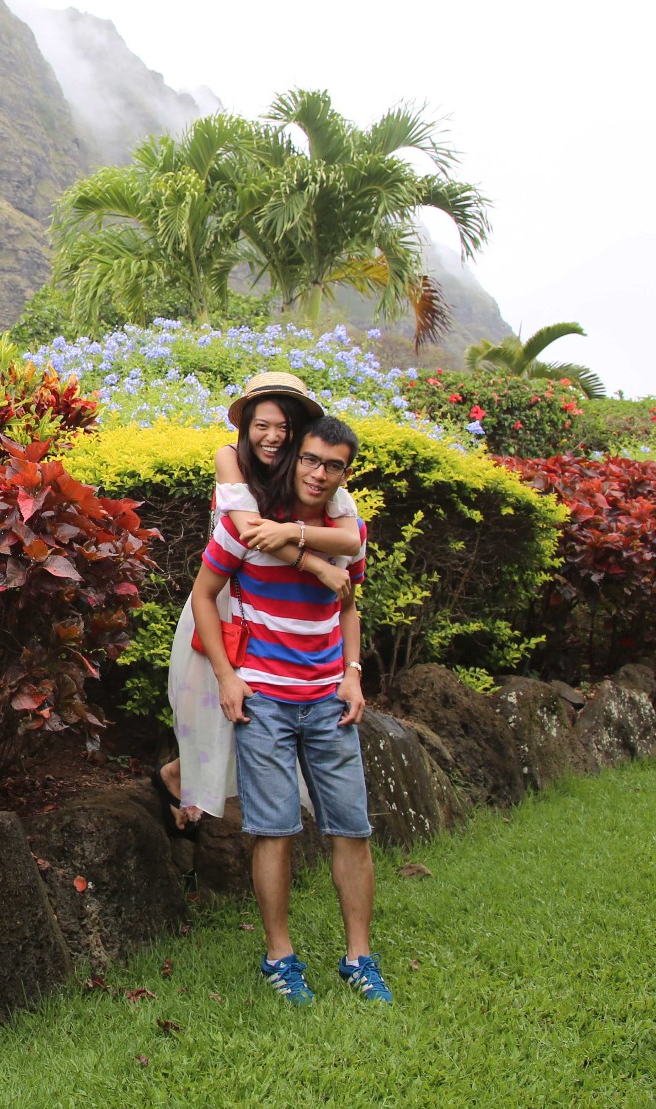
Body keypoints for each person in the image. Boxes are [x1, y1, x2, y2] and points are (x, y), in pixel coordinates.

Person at [189, 415, 391, 1005]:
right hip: (264, 700)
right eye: (310, 459)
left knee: (351, 829)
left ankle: (359, 958)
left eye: (334, 465)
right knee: (273, 831)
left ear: (345, 473)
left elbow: (348, 600)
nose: (319, 473)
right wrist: (227, 677)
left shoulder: (346, 527)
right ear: (292, 458)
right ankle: (280, 957)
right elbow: (203, 594)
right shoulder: (244, 525)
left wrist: (354, 674)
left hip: (329, 698)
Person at [154, 373, 363, 833]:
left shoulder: (309, 468)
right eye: (262, 425)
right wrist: (318, 565)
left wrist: (304, 541)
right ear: (246, 424)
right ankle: (180, 782)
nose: (273, 437)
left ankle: (181, 780)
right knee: (221, 703)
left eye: (284, 427)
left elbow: (350, 534)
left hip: (271, 598)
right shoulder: (230, 457)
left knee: (255, 713)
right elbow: (251, 532)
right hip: (228, 596)